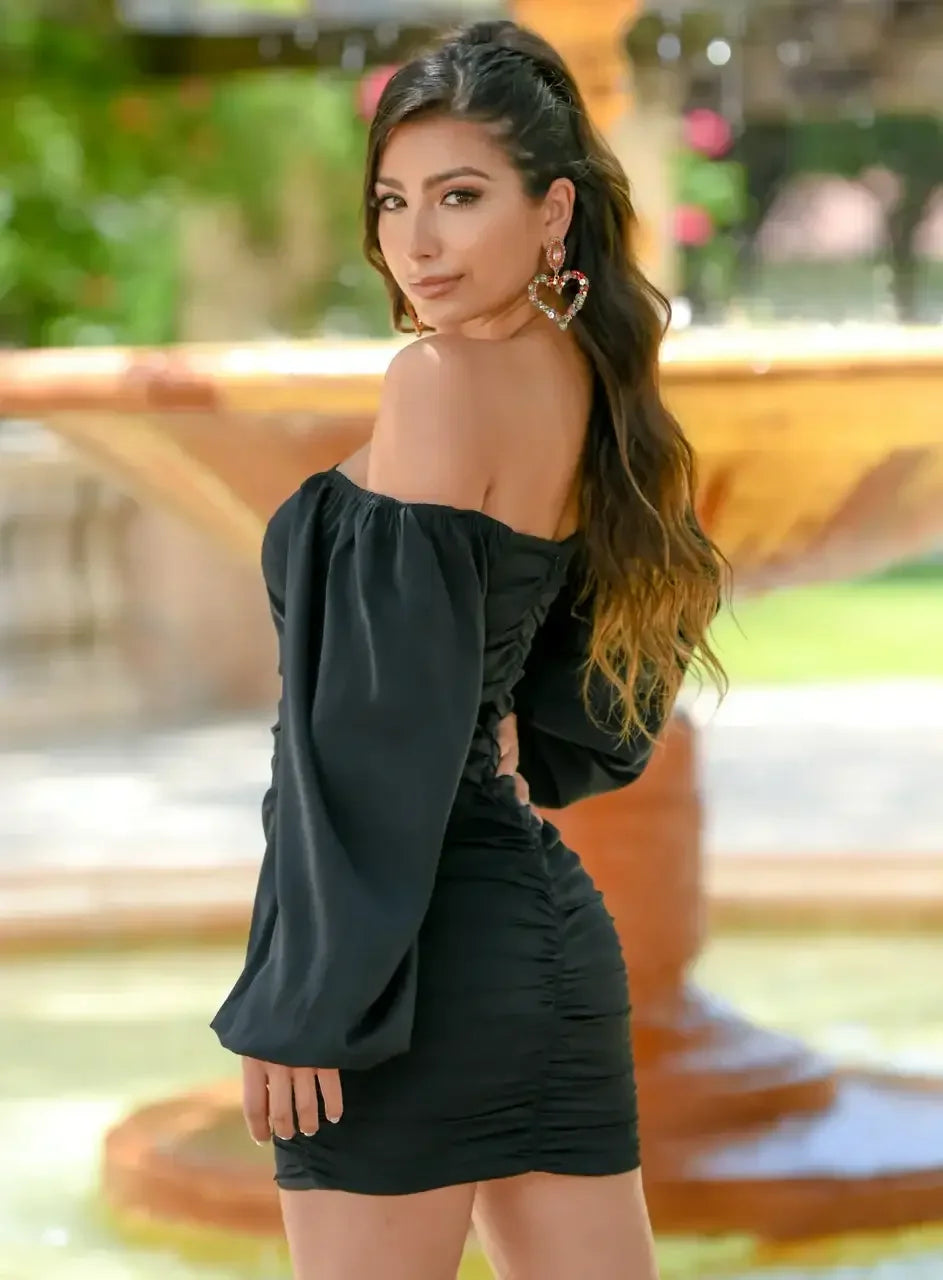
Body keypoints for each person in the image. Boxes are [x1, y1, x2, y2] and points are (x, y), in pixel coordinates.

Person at [210, 18, 726, 1280]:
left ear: (552, 213)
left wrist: (305, 996)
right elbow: (582, 715)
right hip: (544, 951)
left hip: (411, 975)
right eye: (394, 202)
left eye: (459, 197)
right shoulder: (594, 390)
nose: (417, 241)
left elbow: (374, 739)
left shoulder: (436, 380)